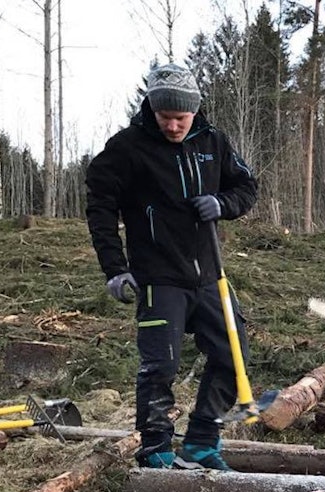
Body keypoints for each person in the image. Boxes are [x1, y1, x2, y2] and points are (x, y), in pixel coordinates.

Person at [86, 62, 258, 470]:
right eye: (166, 117)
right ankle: (156, 448)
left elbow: (246, 186)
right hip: (157, 277)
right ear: (153, 109)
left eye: (181, 118)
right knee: (160, 365)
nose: (174, 126)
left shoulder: (214, 141)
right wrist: (115, 268)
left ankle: (202, 440)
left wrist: (222, 204)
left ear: (194, 111)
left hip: (210, 275)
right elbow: (100, 207)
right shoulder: (127, 148)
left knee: (232, 357)